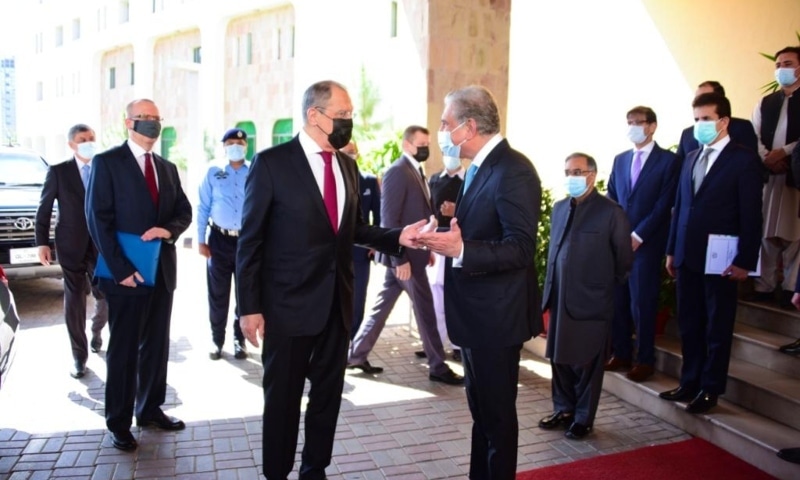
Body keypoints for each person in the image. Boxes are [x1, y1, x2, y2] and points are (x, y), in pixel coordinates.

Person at [235, 80, 426, 480]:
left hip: (336, 306)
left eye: (350, 116)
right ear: (314, 115)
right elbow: (251, 241)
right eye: (342, 116)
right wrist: (248, 308)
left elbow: (353, 228)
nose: (348, 123)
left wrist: (397, 237)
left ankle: (314, 470)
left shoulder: (348, 166)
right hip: (286, 308)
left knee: (326, 399)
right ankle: (277, 473)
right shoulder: (272, 163)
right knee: (283, 402)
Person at [417, 85, 542, 479]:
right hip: (477, 318)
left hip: (496, 320)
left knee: (498, 420)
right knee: (483, 417)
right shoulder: (481, 168)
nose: (441, 131)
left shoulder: (514, 170)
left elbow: (520, 249)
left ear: (469, 127)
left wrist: (461, 250)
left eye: (445, 124)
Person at [85, 99, 192, 451]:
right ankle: (118, 421)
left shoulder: (167, 167)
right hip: (125, 275)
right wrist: (122, 270)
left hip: (161, 271)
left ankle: (149, 409)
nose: (151, 124)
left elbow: (184, 211)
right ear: (128, 122)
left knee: (157, 346)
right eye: (144, 118)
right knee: (124, 349)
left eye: (156, 118)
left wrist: (168, 230)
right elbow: (97, 219)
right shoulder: (107, 162)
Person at [659, 92, 762, 414]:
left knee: (717, 326)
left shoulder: (743, 160)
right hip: (687, 256)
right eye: (696, 119)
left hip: (722, 259)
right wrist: (671, 251)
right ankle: (689, 381)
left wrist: (746, 260)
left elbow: (751, 214)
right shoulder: (690, 157)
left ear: (724, 121)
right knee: (689, 324)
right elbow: (681, 209)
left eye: (706, 119)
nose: (700, 125)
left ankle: (710, 388)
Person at [347, 125, 463, 384]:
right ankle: (438, 366)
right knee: (426, 312)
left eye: (427, 143)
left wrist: (426, 250)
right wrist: (399, 259)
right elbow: (389, 219)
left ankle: (355, 354)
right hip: (404, 258)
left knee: (380, 308)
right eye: (421, 143)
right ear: (407, 144)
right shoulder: (398, 172)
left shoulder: (415, 171)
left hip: (414, 255)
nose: (426, 148)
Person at [539, 153, 633, 440]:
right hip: (560, 299)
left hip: (591, 301)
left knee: (587, 363)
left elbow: (623, 259)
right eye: (567, 171)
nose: (572, 177)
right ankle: (564, 409)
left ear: (591, 175)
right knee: (560, 359)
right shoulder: (558, 208)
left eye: (577, 172)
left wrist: (601, 285)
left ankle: (582, 418)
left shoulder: (610, 211)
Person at [605, 107, 679, 382]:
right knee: (619, 300)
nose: (633, 127)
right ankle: (621, 352)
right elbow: (612, 197)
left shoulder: (668, 162)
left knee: (642, 303)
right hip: (619, 243)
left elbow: (664, 204)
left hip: (646, 244)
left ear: (652, 126)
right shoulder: (620, 159)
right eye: (629, 123)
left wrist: (638, 235)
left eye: (638, 123)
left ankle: (644, 359)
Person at [34, 124, 109, 379]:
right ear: (72, 144)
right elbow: (43, 209)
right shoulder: (58, 172)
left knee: (106, 295)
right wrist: (41, 242)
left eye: (91, 138)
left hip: (101, 245)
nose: (88, 142)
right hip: (70, 244)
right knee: (75, 300)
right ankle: (79, 355)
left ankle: (97, 331)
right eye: (82, 139)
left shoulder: (105, 168)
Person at [751, 46, 800, 308]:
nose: (782, 69)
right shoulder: (765, 102)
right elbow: (754, 134)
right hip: (770, 175)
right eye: (778, 64)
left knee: (793, 235)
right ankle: (764, 287)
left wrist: (785, 153)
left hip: (795, 177)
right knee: (766, 232)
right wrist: (767, 156)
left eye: (788, 63)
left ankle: (791, 287)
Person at [197, 127, 250, 360]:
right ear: (224, 147)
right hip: (218, 240)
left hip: (246, 241)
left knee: (244, 293)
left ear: (246, 146)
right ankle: (216, 339)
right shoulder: (213, 172)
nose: (235, 147)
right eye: (230, 143)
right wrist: (200, 240)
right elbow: (203, 207)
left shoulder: (255, 172)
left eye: (239, 143)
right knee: (218, 293)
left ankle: (240, 340)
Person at [423, 154, 465, 361]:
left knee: (454, 293)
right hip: (436, 239)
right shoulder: (435, 180)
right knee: (435, 293)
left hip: (459, 242)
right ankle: (435, 342)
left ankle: (458, 344)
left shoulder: (469, 180)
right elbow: (428, 209)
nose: (451, 158)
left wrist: (456, 210)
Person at [340, 140, 381, 338]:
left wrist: (376, 245)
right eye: (346, 152)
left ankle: (353, 345)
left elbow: (378, 215)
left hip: (360, 253)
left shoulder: (369, 181)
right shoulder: (330, 180)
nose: (351, 155)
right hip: (333, 254)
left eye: (353, 152)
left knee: (357, 301)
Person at [675, 81, 758, 162]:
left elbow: (750, 162)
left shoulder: (742, 128)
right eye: (697, 98)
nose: (701, 101)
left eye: (706, 97)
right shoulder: (687, 134)